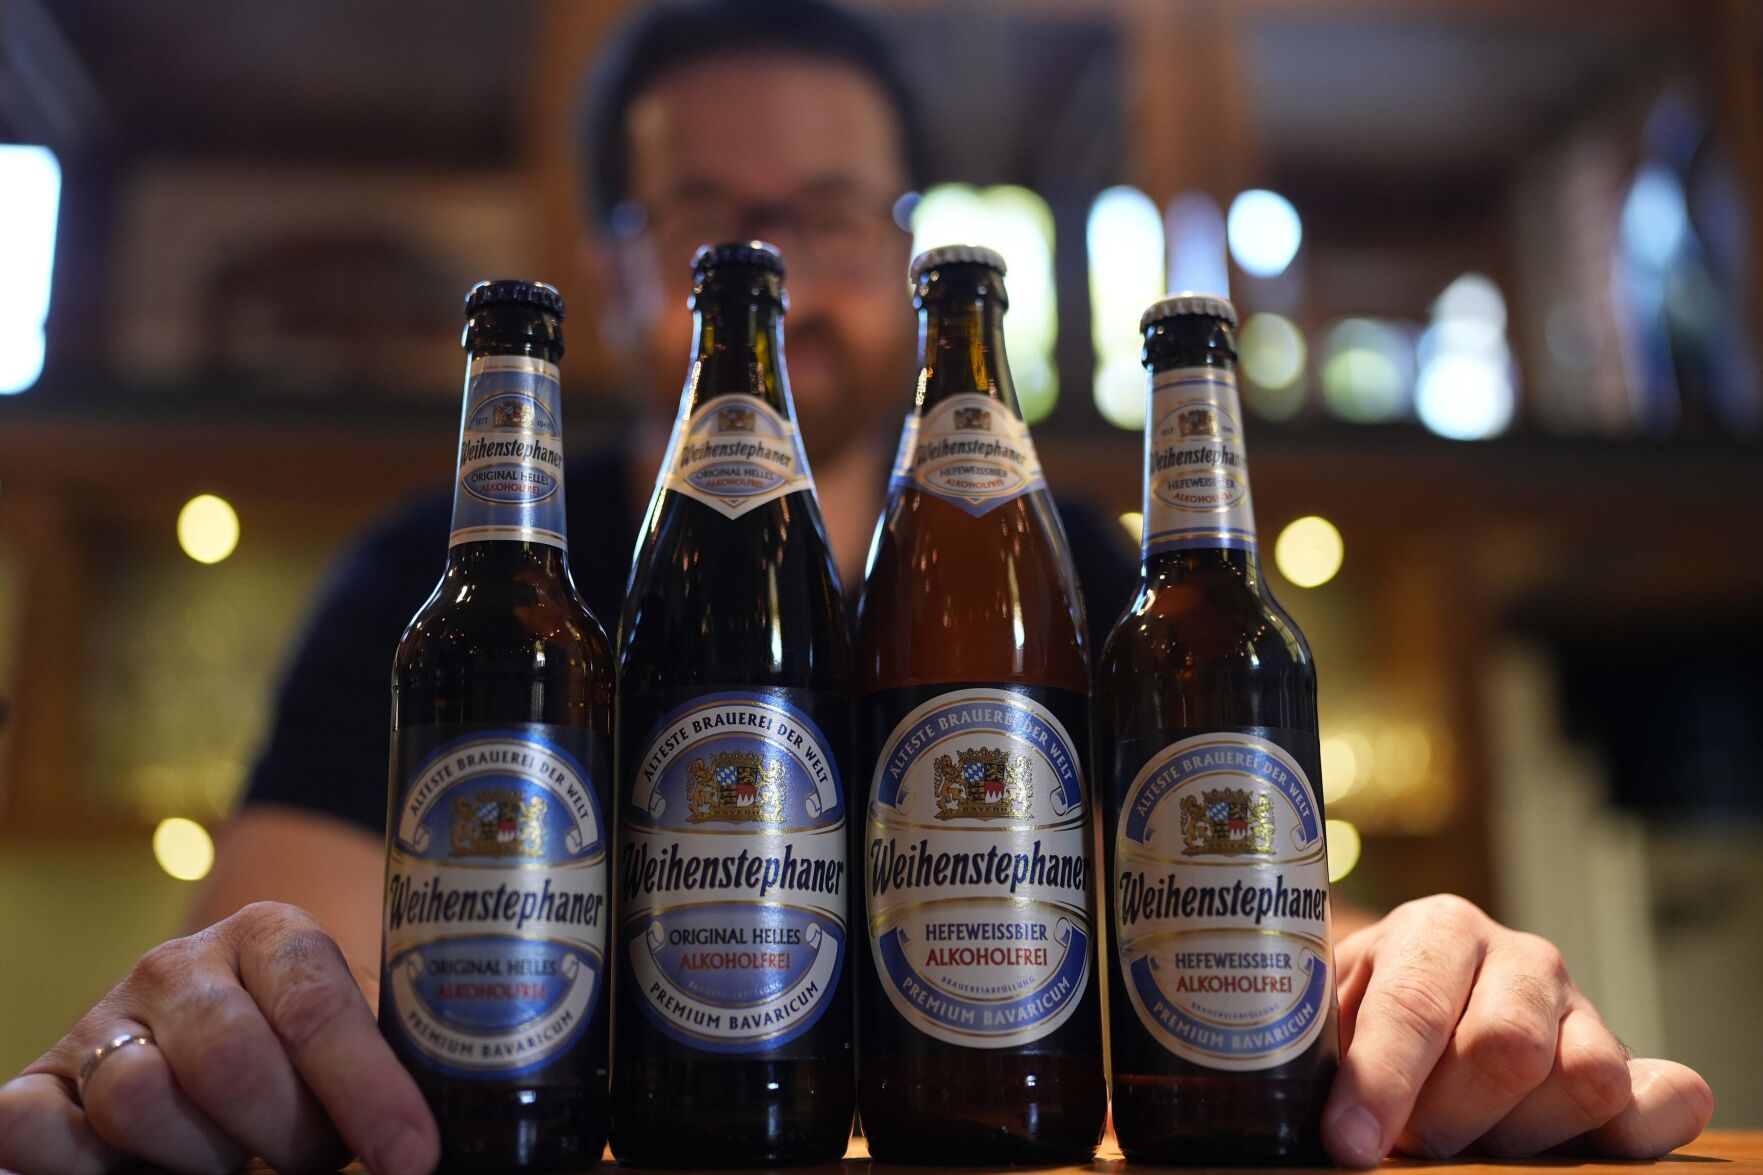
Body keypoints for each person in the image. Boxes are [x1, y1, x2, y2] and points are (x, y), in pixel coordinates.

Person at [0, 2, 1714, 1173]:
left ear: (903, 256)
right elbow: (311, 957)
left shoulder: (1093, 575)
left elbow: (1247, 949)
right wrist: (227, 1014)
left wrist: (1432, 989)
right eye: (702, 223)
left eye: (823, 219)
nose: (779, 281)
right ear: (616, 267)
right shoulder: (442, 577)